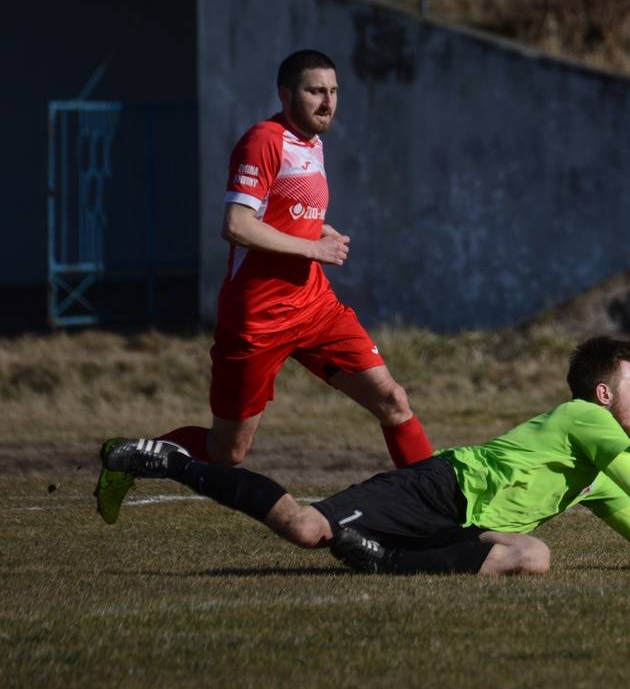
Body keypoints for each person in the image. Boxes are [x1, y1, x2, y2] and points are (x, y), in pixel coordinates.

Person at [94, 336, 630, 575]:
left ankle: (382, 559)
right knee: (306, 529)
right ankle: (167, 460)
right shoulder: (586, 418)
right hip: (441, 489)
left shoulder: (599, 467)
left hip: (460, 526)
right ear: (604, 394)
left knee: (535, 557)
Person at [94, 50, 431, 523]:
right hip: (258, 318)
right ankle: (128, 458)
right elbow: (237, 225)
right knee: (227, 451)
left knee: (393, 401)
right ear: (286, 95)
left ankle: (438, 510)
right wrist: (313, 248)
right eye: (316, 91)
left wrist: (319, 230)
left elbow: (281, 211)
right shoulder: (263, 141)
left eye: (334, 91)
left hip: (315, 306)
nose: (328, 102)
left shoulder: (312, 142)